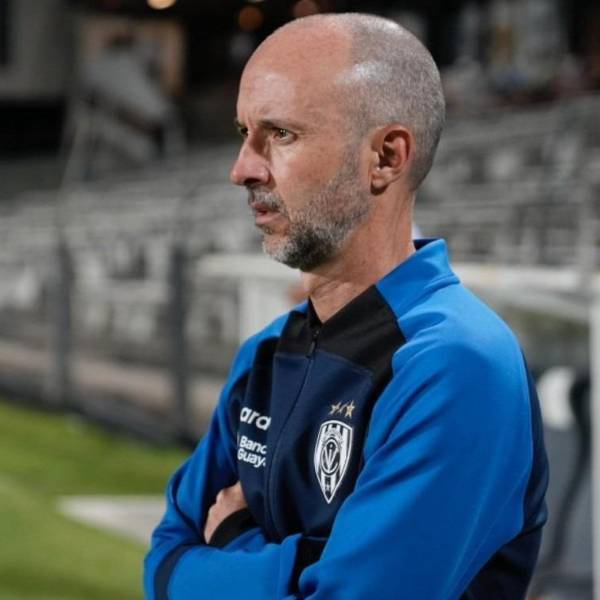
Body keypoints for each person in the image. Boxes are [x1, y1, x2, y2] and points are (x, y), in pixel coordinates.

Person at [144, 13, 548, 600]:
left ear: (385, 157)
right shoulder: (265, 354)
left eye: (281, 134)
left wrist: (232, 538)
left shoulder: (456, 364)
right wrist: (299, 569)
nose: (242, 169)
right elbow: (163, 562)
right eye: (243, 133)